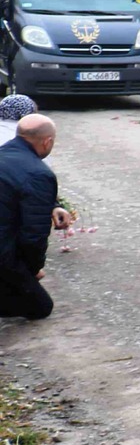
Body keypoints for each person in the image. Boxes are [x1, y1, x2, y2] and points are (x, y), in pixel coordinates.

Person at [0, 116, 71, 321]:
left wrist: (53, 205)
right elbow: (33, 237)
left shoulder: (5, 153)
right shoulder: (39, 174)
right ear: (47, 141)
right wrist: (30, 270)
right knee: (40, 307)